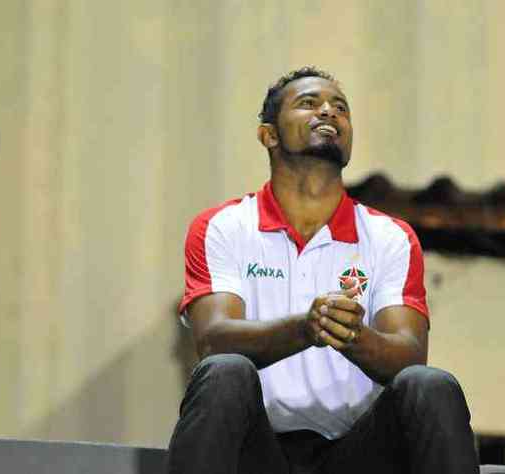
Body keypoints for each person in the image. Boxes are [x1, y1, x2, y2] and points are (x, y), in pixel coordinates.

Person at [166, 66, 478, 474]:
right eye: (309, 104)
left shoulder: (389, 237)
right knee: (225, 372)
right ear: (269, 135)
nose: (329, 113)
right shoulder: (223, 227)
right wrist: (306, 329)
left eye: (341, 108)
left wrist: (352, 336)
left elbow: (409, 355)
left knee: (431, 385)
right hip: (257, 455)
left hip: (356, 456)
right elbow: (214, 342)